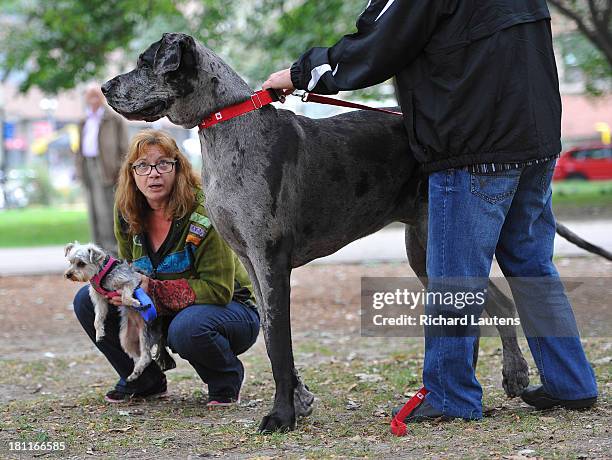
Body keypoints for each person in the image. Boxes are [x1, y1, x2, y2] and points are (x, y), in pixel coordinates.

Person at [263, 0, 597, 421]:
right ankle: (572, 383)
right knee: (533, 266)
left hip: (474, 148)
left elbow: (377, 43)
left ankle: (451, 396)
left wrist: (298, 74)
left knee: (453, 278)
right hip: (537, 139)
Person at [73, 129, 260, 406]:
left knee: (188, 327)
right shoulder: (126, 211)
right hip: (163, 309)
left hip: (231, 310)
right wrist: (124, 290)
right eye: (143, 166)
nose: (154, 173)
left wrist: (153, 289)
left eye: (163, 164)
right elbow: (129, 268)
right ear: (132, 174)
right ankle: (144, 379)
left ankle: (225, 378)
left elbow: (219, 291)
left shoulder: (204, 212)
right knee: (87, 301)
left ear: (178, 168)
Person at [76, 83, 129, 254]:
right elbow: (79, 148)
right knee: (93, 211)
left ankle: (112, 251)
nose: (92, 99)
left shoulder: (113, 119)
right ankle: (96, 250)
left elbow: (124, 148)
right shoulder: (83, 121)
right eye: (89, 95)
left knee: (107, 211)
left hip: (107, 169)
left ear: (102, 98)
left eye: (96, 95)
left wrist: (120, 171)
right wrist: (78, 169)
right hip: (88, 165)